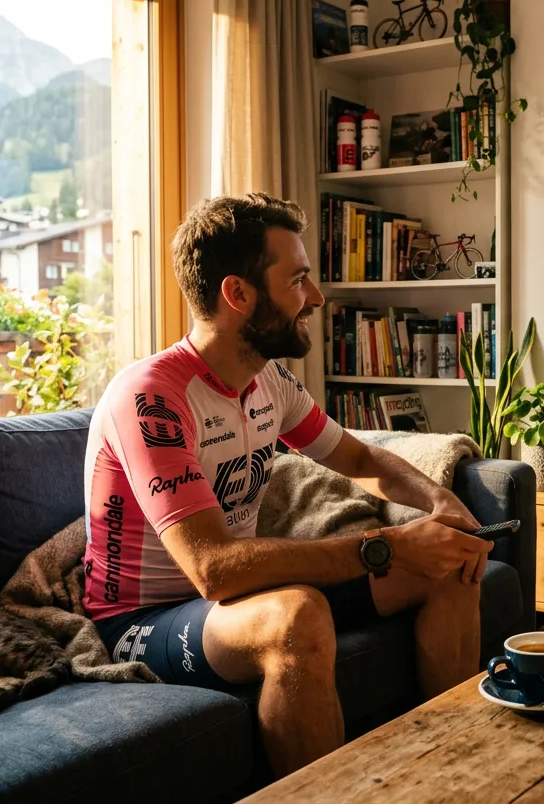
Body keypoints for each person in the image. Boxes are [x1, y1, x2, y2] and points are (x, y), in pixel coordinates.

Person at [82, 194, 494, 778]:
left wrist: (440, 502)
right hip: (142, 620)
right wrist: (391, 545)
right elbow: (215, 569)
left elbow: (359, 457)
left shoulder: (267, 380)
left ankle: (450, 772)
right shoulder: (152, 398)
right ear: (239, 295)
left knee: (451, 562)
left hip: (235, 603)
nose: (318, 298)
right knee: (295, 615)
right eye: (298, 280)